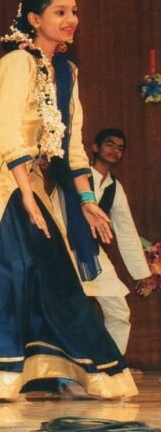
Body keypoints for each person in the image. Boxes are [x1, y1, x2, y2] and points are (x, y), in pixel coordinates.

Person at [0, 0, 137, 403]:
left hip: (27, 179)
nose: (71, 19)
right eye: (60, 12)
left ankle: (62, 371)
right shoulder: (16, 64)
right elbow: (3, 129)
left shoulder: (66, 72)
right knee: (1, 268)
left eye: (74, 11)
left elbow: (71, 144)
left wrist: (87, 201)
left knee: (52, 269)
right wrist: (23, 192)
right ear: (34, 19)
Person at [67, 128, 154, 355]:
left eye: (120, 148)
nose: (115, 150)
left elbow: (126, 230)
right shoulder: (76, 176)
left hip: (92, 252)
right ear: (95, 148)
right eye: (110, 144)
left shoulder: (115, 187)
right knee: (66, 311)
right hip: (64, 249)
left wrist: (141, 273)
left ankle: (114, 366)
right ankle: (66, 369)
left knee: (118, 310)